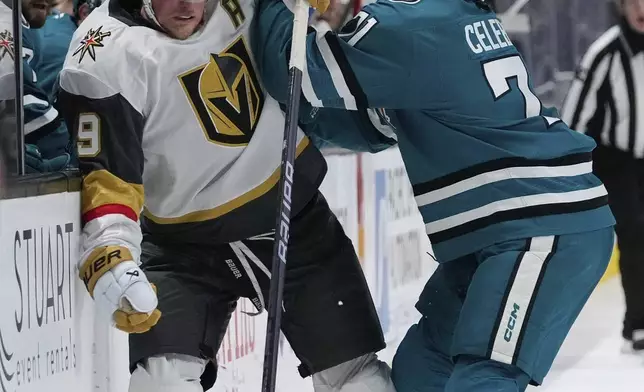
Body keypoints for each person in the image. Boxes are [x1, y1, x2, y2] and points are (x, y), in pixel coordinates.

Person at [253, 0, 616, 390]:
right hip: (507, 230)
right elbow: (372, 125)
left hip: (538, 228)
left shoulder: (407, 21)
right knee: (422, 370)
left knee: (482, 377)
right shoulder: (447, 15)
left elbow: (291, 72)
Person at [56, 0, 396, 391]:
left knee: (358, 379)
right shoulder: (100, 56)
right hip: (183, 247)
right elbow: (108, 177)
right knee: (161, 383)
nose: (188, 6)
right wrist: (110, 255)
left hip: (293, 222)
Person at [561, 0, 644, 354]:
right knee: (636, 233)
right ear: (621, 5)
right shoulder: (605, 52)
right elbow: (576, 119)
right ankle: (639, 321)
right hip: (618, 162)